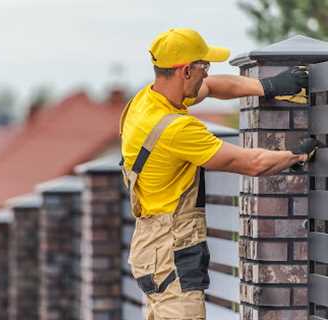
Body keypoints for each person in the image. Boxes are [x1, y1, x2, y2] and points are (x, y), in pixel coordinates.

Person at [120, 28, 318, 320]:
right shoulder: (176, 129)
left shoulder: (145, 103)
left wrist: (268, 86)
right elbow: (251, 163)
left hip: (151, 246)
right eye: (204, 66)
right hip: (172, 249)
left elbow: (211, 88)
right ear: (185, 71)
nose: (206, 73)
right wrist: (298, 155)